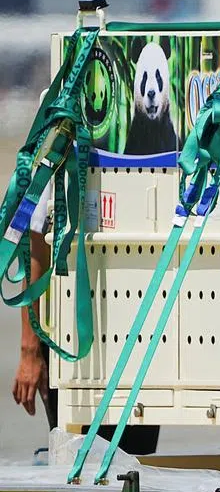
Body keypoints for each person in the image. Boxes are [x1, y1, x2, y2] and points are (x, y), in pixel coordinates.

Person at [12, 191, 161, 455]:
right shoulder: (60, 152)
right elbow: (37, 248)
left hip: (138, 339)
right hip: (70, 346)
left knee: (133, 462)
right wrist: (29, 350)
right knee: (76, 459)